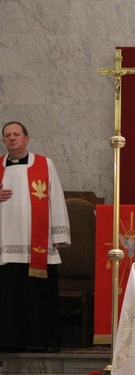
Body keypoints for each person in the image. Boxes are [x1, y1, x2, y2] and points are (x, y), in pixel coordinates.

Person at [0, 121, 70, 352]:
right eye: (7, 135)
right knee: (8, 293)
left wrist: (58, 233)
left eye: (16, 134)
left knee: (37, 294)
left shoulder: (43, 164)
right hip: (5, 242)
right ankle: (9, 340)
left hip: (36, 243)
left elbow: (55, 197)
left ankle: (41, 339)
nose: (12, 138)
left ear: (27, 138)